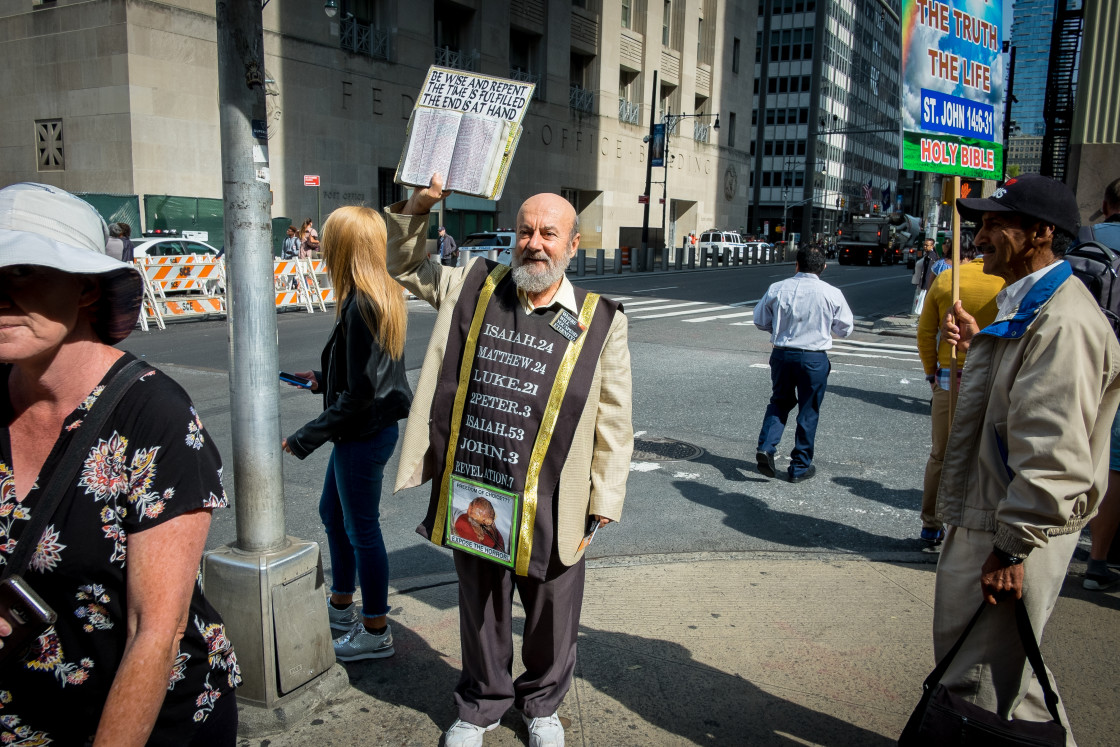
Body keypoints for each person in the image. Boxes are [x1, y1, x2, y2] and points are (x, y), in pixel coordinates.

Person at [386, 175, 632, 747]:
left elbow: (614, 420)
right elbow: (404, 264)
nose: (535, 243)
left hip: (556, 499)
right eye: (525, 231)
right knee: (482, 610)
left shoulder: (601, 321)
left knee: (552, 615)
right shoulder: (474, 285)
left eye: (550, 233)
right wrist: (420, 206)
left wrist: (605, 499)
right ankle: (481, 706)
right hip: (479, 488)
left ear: (573, 247)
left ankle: (542, 705)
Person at [0, 182, 240, 744]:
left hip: (143, 722)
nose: (2, 295)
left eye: (23, 272)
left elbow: (155, 631)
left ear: (86, 290)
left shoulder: (154, 418)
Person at [936, 174, 1120, 740]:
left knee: (981, 681)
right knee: (1012, 675)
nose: (982, 233)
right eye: (981, 221)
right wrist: (979, 345)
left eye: (996, 222)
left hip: (1010, 526)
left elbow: (1054, 453)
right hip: (995, 514)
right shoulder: (1032, 304)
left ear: (1042, 233)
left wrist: (1012, 546)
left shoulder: (1063, 321)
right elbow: (1018, 407)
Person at [282, 206, 412, 662]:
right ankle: (341, 605)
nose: (318, 248)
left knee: (361, 531)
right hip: (368, 430)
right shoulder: (374, 295)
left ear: (344, 249)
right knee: (334, 516)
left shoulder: (363, 304)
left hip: (363, 433)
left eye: (326, 242)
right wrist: (322, 377)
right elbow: (367, 375)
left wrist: (303, 437)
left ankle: (375, 629)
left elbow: (361, 394)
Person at [915, 228, 1004, 549]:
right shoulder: (1010, 283)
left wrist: (930, 372)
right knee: (987, 456)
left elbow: (925, 334)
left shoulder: (948, 281)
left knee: (942, 454)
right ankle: (976, 526)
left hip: (949, 375)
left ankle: (931, 524)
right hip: (995, 377)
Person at [754, 246, 853, 483]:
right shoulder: (832, 293)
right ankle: (799, 467)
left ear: (796, 264)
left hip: (782, 353)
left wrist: (779, 329)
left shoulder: (777, 288)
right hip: (814, 357)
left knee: (780, 401)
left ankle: (767, 447)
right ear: (823, 268)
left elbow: (760, 320)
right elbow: (845, 328)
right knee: (809, 409)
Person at [1077, 176, 1120, 590]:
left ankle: (1096, 556)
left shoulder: (1086, 239)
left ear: (1106, 204)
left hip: (1089, 362)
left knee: (1101, 457)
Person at [911, 237, 937, 314]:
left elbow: (928, 272)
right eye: (924, 245)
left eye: (927, 245)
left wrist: (925, 285)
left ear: (932, 246)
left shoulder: (931, 257)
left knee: (922, 303)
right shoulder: (927, 255)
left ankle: (920, 320)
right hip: (922, 283)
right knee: (920, 302)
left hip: (925, 284)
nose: (925, 247)